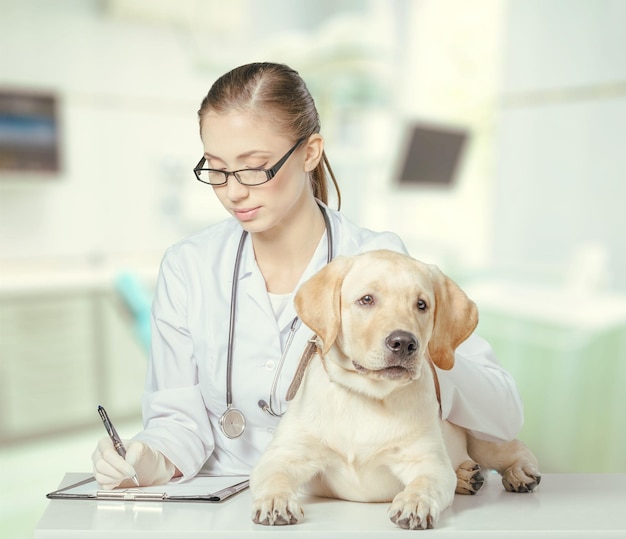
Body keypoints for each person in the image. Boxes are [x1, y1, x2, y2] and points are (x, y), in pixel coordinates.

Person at [92, 62, 524, 489]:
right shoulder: (189, 266)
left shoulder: (375, 260)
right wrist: (147, 458)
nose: (234, 191)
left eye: (254, 167)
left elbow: (503, 414)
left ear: (310, 152)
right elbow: (177, 421)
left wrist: (423, 350)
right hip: (222, 506)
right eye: (216, 169)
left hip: (337, 507)